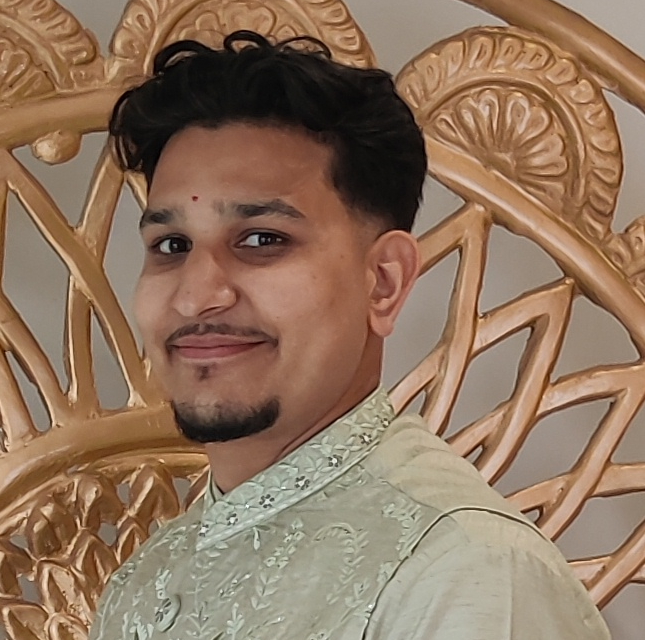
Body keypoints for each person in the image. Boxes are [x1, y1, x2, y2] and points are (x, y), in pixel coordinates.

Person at [89, 30, 611, 640]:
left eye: (262, 239)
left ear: (383, 282)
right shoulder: (144, 581)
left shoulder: (467, 573)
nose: (196, 294)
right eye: (171, 245)